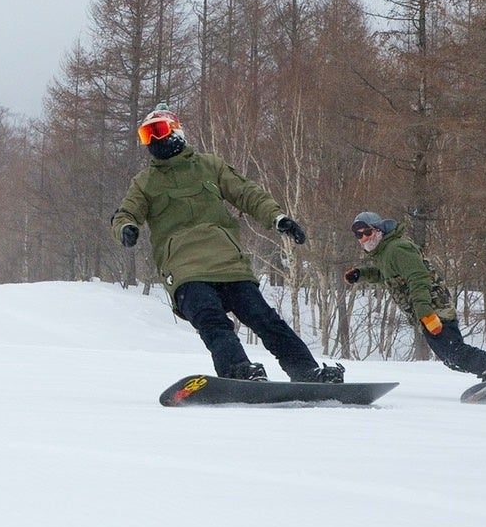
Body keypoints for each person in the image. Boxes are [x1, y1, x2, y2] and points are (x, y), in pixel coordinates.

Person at [111, 104, 344, 383]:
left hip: (228, 263)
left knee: (265, 319)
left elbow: (247, 194)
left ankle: (306, 371)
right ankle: (238, 371)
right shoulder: (145, 182)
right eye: (146, 135)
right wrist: (126, 228)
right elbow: (126, 212)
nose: (154, 141)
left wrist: (278, 218)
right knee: (212, 319)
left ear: (176, 132)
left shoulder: (210, 166)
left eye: (158, 131)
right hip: (185, 269)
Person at [343, 212, 486, 385]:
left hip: (433, 308)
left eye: (367, 232)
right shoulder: (385, 253)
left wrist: (426, 313)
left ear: (378, 231)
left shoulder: (397, 249)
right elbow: (387, 275)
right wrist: (361, 274)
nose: (363, 239)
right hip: (429, 309)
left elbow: (418, 278)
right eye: (359, 236)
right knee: (452, 356)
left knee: (453, 354)